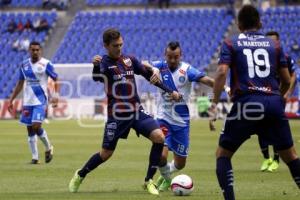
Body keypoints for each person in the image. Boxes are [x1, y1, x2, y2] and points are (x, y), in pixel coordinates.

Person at [68, 28, 181, 195]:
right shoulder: (104, 63)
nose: (119, 48)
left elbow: (149, 77)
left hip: (136, 111)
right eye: (115, 45)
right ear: (106, 46)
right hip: (117, 115)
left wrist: (169, 90)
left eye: (121, 44)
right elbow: (97, 78)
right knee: (106, 153)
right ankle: (80, 174)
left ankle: (148, 181)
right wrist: (95, 67)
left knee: (159, 138)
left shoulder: (129, 60)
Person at [209, 5, 300, 200]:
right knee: (290, 156)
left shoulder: (231, 42)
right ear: (259, 23)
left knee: (223, 155)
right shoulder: (274, 44)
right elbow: (286, 79)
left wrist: (214, 103)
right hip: (273, 103)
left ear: (239, 24)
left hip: (246, 104)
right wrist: (278, 98)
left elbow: (222, 72)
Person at [147, 41, 214, 191]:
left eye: (175, 57)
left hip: (181, 122)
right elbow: (143, 63)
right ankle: (167, 180)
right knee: (161, 156)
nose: (172, 60)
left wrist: (226, 87)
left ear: (180, 56)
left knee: (180, 164)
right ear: (165, 55)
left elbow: (208, 81)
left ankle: (164, 176)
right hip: (163, 118)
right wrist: (153, 69)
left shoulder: (187, 70)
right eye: (169, 57)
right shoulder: (160, 66)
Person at [8, 41, 59, 164]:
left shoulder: (46, 64)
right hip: (28, 101)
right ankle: (35, 158)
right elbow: (20, 83)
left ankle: (48, 147)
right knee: (30, 130)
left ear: (40, 50)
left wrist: (55, 96)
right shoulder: (24, 65)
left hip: (40, 100)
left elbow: (56, 78)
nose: (35, 52)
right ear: (29, 51)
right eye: (32, 50)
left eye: (37, 50)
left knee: (36, 126)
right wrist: (11, 100)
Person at [258, 31, 298, 172]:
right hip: (261, 97)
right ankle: (266, 158)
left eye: (274, 41)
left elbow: (293, 76)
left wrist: (287, 93)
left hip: (276, 97)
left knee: (274, 127)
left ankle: (275, 159)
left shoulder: (284, 57)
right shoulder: (260, 56)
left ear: (278, 42)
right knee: (260, 128)